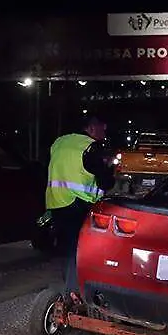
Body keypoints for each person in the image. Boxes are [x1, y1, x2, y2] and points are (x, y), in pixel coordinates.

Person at [45, 115, 114, 293]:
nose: (104, 132)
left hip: (55, 201)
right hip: (78, 204)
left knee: (66, 248)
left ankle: (69, 289)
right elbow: (105, 182)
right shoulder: (91, 147)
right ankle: (74, 293)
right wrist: (110, 171)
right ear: (91, 129)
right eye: (102, 128)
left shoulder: (59, 142)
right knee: (78, 250)